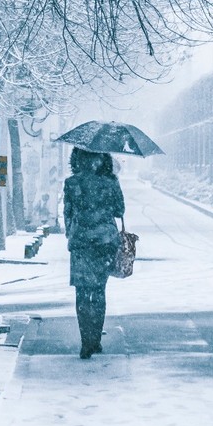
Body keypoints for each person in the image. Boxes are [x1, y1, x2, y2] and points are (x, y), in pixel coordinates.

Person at [63, 148, 125, 358]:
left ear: (77, 159)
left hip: (81, 243)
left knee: (81, 293)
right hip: (105, 242)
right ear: (103, 158)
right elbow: (119, 210)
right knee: (99, 291)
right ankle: (95, 339)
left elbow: (68, 213)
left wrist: (73, 232)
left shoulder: (72, 183)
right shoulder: (110, 182)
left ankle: (85, 342)